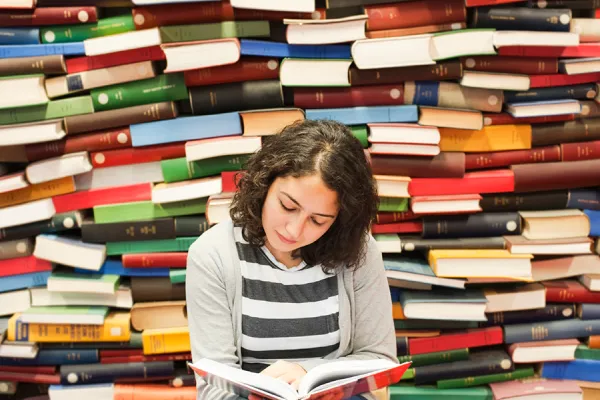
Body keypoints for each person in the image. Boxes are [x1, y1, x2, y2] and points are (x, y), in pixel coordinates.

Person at [186, 119, 397, 400]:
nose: (294, 230)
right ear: (264, 184)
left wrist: (305, 373)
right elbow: (213, 387)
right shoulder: (213, 254)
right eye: (287, 206)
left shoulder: (359, 251)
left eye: (318, 220)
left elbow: (379, 361)